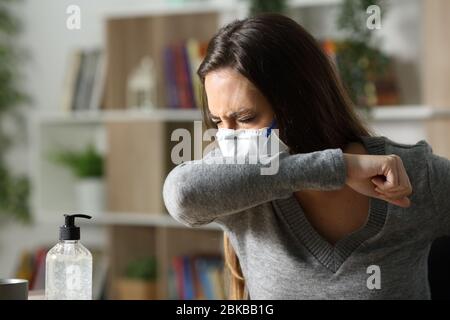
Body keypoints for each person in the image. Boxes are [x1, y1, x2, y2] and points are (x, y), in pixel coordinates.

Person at [162, 13, 450, 299]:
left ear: (300, 104)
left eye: (246, 118)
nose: (230, 137)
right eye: (219, 122)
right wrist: (339, 168)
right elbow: (182, 194)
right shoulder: (237, 179)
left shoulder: (412, 175)